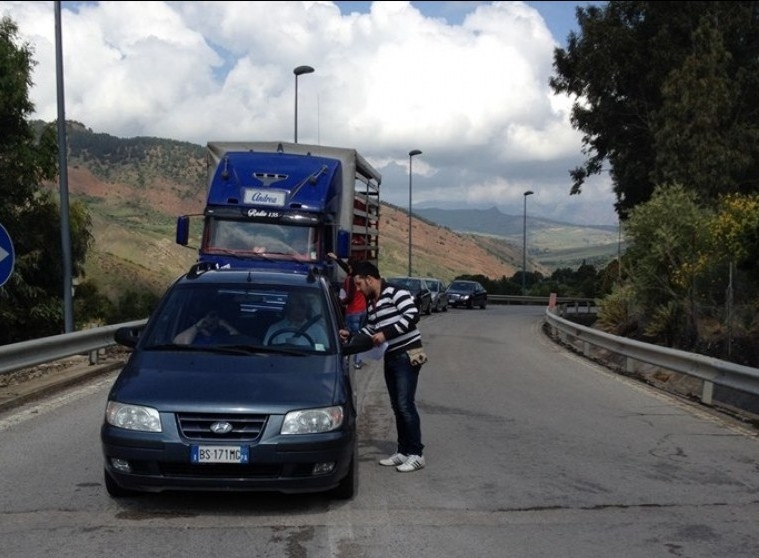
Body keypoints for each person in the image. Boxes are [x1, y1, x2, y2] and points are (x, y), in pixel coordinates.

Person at [343, 260, 427, 473]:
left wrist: (386, 334)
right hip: (391, 355)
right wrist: (352, 336)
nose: (359, 289)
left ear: (370, 280)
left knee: (405, 404)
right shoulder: (373, 302)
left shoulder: (396, 293)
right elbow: (371, 329)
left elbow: (412, 315)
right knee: (397, 405)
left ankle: (416, 454)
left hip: (407, 354)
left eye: (360, 284)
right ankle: (403, 450)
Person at [328, 252, 367, 369]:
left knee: (350, 338)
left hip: (353, 311)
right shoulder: (361, 276)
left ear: (351, 267)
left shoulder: (350, 279)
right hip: (362, 310)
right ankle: (358, 360)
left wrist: (339, 302)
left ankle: (350, 362)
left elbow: (349, 296)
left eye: (349, 266)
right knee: (359, 336)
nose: (348, 267)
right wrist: (337, 259)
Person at [263, 292, 329, 348]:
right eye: (295, 306)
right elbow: (266, 353)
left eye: (302, 306)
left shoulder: (317, 330)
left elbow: (323, 351)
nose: (299, 310)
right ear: (288, 307)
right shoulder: (275, 329)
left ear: (307, 309)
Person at [174, 309, 239, 345]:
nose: (215, 319)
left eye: (218, 316)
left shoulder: (223, 335)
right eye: (212, 316)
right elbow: (178, 342)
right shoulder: (193, 335)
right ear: (203, 317)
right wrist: (197, 326)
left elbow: (239, 340)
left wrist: (226, 325)